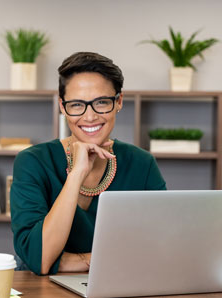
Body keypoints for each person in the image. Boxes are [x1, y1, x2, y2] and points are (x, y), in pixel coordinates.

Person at [10, 52, 166, 275]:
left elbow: (160, 247)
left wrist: (70, 262)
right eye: (76, 105)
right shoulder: (32, 161)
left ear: (119, 102)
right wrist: (76, 174)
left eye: (101, 102)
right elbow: (41, 259)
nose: (90, 116)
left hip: (119, 283)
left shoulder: (142, 163)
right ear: (63, 108)